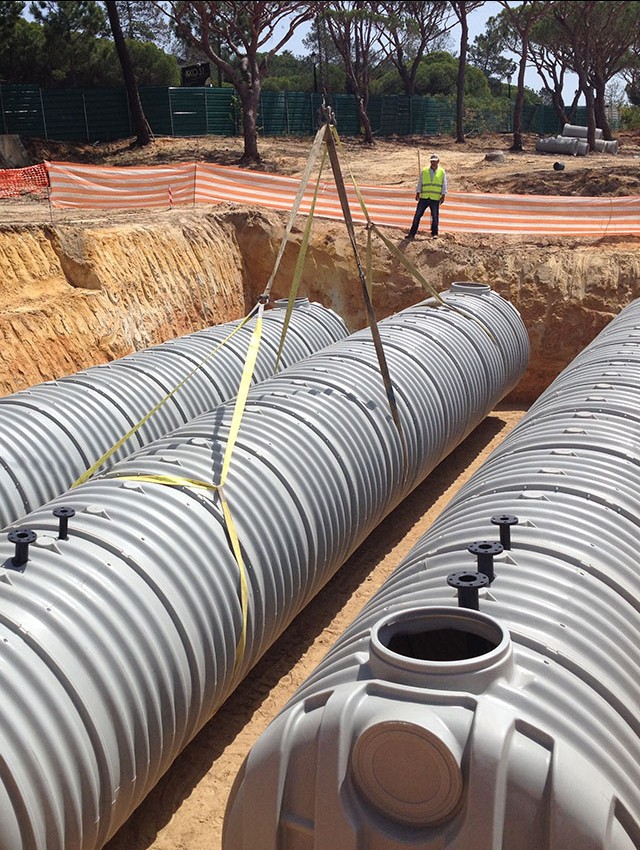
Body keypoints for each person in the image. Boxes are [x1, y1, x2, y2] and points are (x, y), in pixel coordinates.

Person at [406, 153, 447, 240]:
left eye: (435, 161)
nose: (433, 163)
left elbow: (444, 184)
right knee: (417, 216)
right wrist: (418, 192)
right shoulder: (424, 171)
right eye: (432, 161)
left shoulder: (441, 172)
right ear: (430, 161)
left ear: (438, 161)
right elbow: (420, 182)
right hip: (424, 197)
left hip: (435, 198)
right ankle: (412, 234)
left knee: (435, 216)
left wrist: (443, 195)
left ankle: (434, 233)